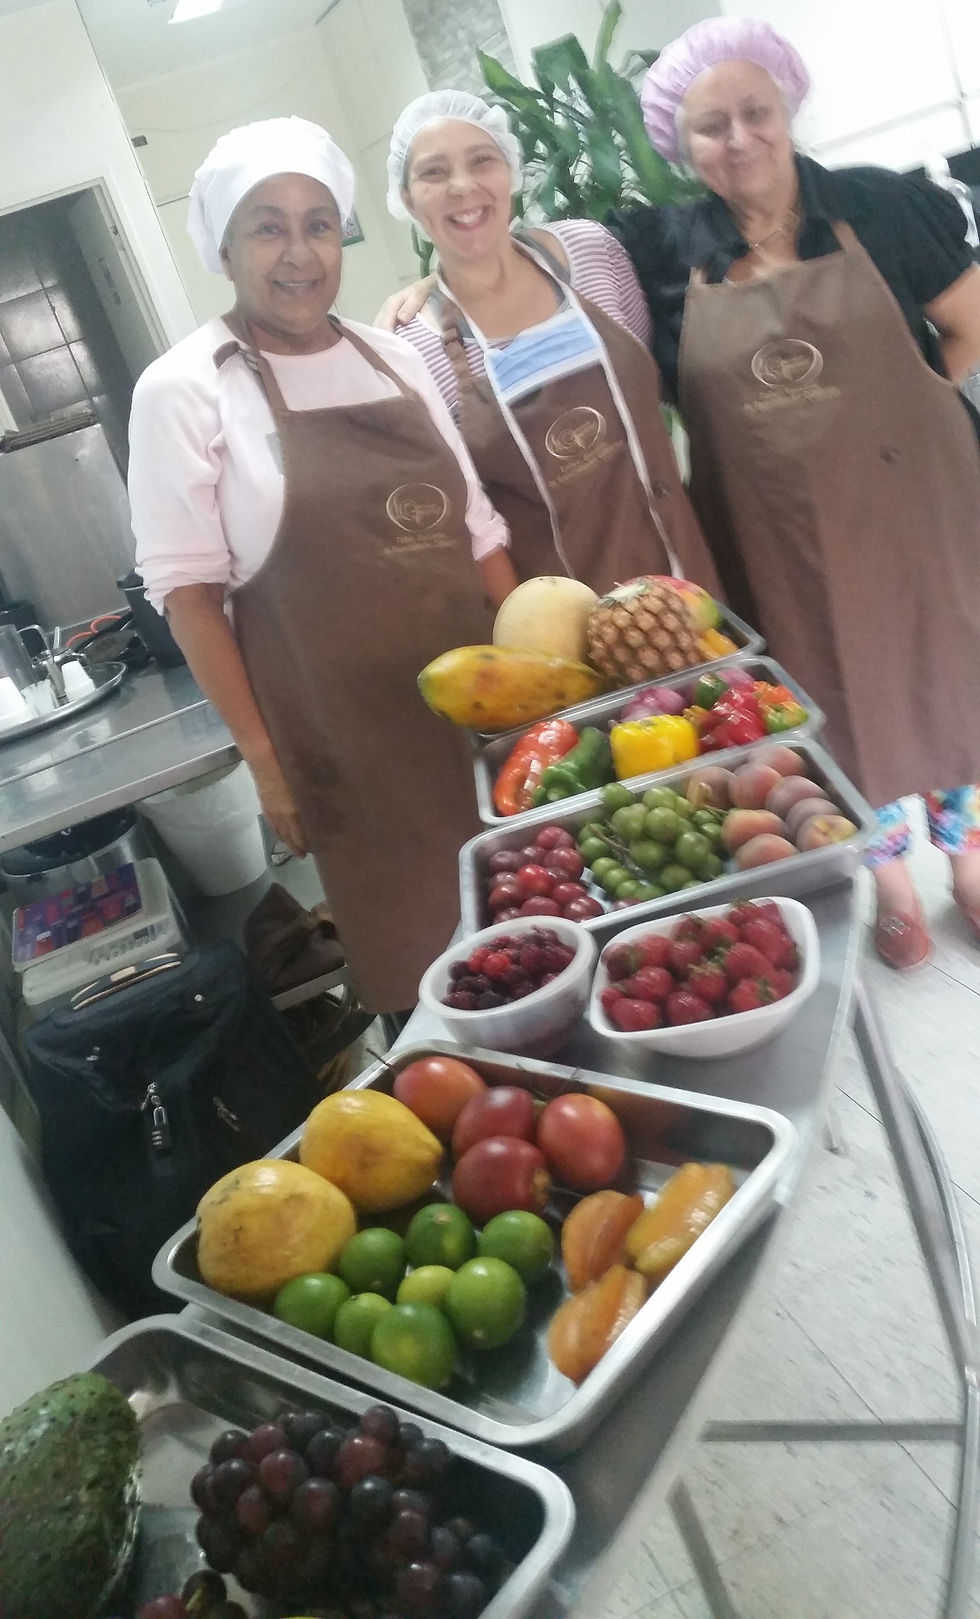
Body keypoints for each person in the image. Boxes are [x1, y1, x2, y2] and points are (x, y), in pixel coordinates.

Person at [128, 117, 518, 1016]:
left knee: (545, 928)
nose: (299, 251)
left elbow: (478, 530)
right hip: (351, 755)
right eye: (267, 225)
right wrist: (267, 763)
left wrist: (551, 690)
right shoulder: (186, 388)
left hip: (491, 724)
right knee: (436, 987)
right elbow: (188, 597)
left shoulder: (392, 356)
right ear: (223, 248)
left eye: (317, 223)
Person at [624, 17, 980, 967]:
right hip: (776, 535)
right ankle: (890, 874)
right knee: (828, 698)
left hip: (915, 506)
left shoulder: (882, 205)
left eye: (755, 112)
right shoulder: (662, 255)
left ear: (787, 109)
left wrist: (917, 407)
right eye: (710, 126)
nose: (737, 139)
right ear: (679, 144)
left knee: (951, 674)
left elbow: (969, 323)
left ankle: (972, 854)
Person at [383, 90, 721, 596]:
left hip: (690, 579)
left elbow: (650, 389)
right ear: (407, 198)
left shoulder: (591, 252)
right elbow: (467, 527)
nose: (463, 186)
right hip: (569, 636)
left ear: (510, 171)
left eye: (482, 161)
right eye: (433, 172)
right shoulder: (413, 351)